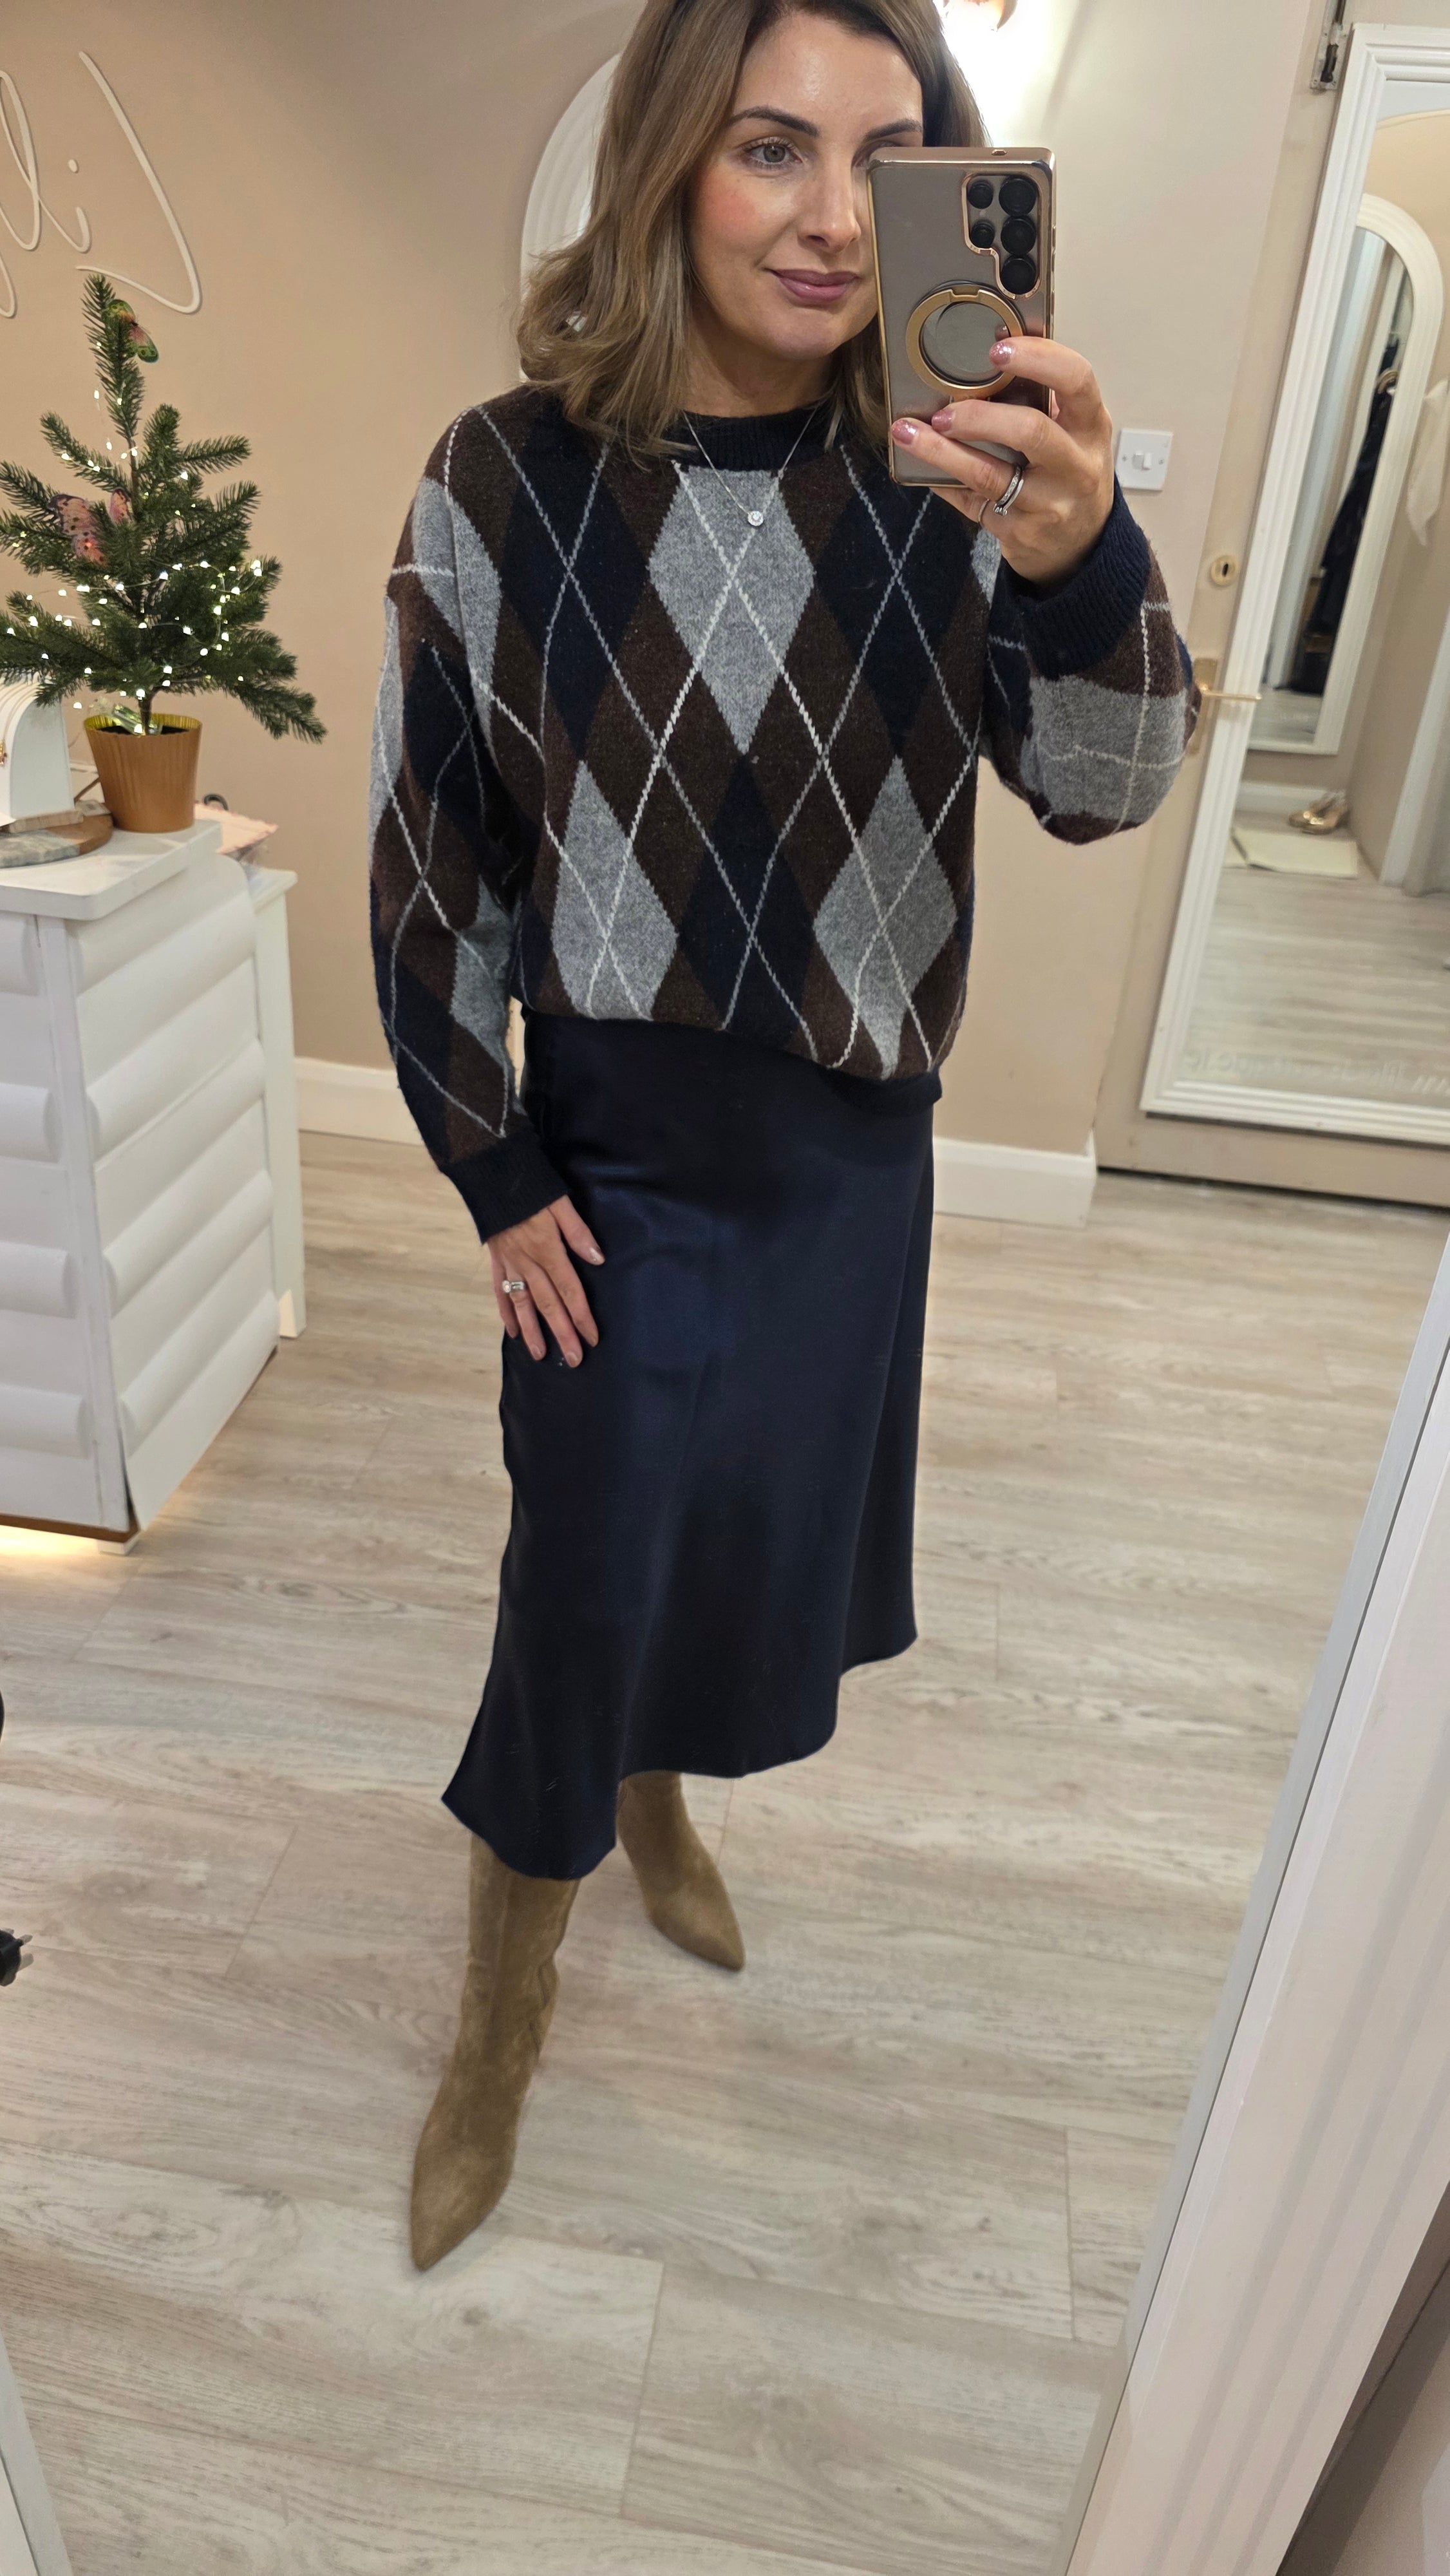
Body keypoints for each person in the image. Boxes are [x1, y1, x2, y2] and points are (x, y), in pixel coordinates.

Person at [368, 0, 1198, 2273]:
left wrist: (1082, 553)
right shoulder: (504, 477)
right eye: (767, 149)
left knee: (737, 1551)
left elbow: (1107, 790)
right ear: (666, 163)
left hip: (846, 1159)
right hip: (613, 1164)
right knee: (580, 1578)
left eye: (883, 154)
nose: (832, 216)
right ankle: (502, 2011)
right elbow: (433, 854)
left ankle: (657, 1805)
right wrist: (490, 1165)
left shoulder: (958, 470)